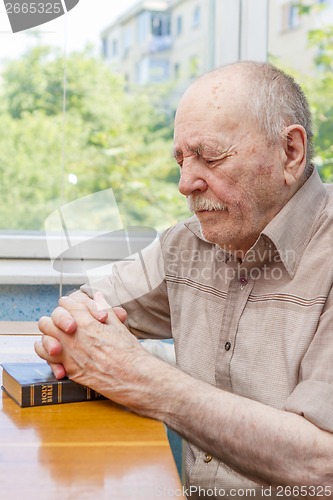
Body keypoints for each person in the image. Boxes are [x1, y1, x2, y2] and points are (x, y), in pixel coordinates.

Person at [35, 61, 333, 499]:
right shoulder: (187, 244)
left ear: (290, 151)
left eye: (209, 156)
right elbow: (80, 314)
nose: (184, 183)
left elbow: (322, 467)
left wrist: (144, 380)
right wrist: (73, 336)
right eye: (181, 160)